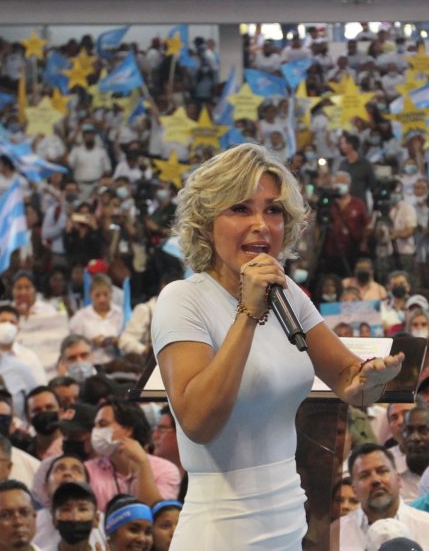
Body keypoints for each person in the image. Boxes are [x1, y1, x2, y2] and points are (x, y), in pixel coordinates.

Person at [151, 144, 402, 547]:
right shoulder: (183, 299)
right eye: (240, 209)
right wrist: (248, 313)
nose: (261, 224)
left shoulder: (290, 296)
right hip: (221, 532)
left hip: (289, 522)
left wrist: (369, 380)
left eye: (273, 210)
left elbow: (347, 380)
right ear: (206, 221)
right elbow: (198, 421)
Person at [331, 443, 429, 550]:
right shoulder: (334, 536)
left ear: (398, 478)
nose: (375, 480)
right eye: (365, 475)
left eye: (382, 471)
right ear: (354, 489)